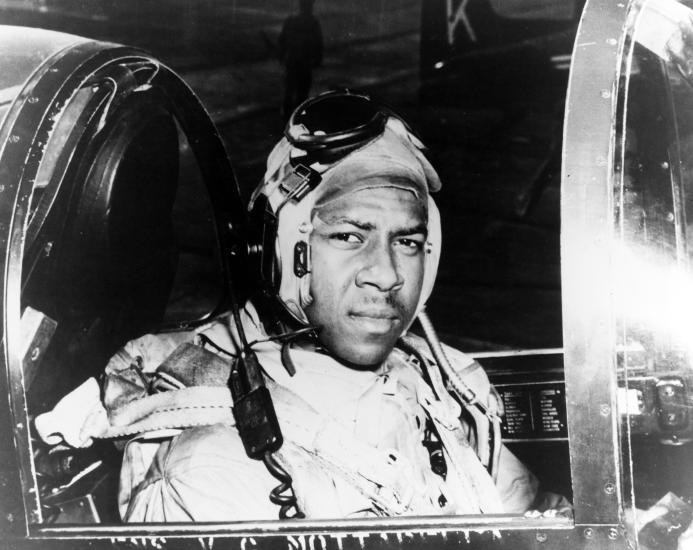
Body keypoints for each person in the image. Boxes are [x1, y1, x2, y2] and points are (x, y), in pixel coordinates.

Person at [35, 91, 565, 522]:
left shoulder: (440, 384)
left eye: (407, 242)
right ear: (283, 255)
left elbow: (537, 514)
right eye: (350, 237)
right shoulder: (208, 469)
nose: (386, 274)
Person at [278, 0, 323, 121]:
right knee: (301, 93)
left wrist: (281, 56)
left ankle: (287, 117)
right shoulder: (313, 22)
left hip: (293, 61)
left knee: (290, 91)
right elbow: (319, 43)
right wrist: (318, 59)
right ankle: (296, 118)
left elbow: (282, 41)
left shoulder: (291, 21)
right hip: (304, 63)